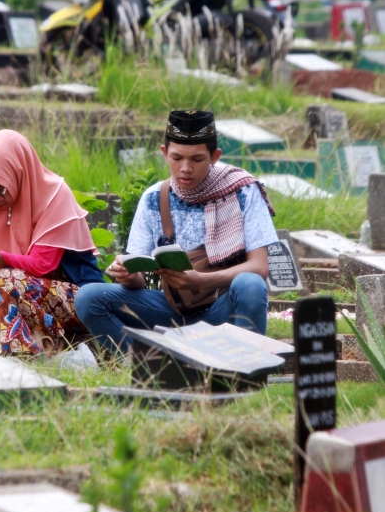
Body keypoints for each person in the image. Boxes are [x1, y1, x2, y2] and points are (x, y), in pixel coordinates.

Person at [75, 110, 278, 354]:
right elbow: (138, 279)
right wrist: (127, 274)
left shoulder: (243, 191)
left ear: (215, 157)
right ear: (164, 153)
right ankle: (144, 369)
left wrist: (199, 280)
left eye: (197, 159)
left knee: (250, 283)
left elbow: (259, 267)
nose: (185, 168)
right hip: (173, 311)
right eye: (177, 157)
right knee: (89, 298)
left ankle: (247, 369)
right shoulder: (153, 199)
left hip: (224, 309)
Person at [0, 130, 104, 356]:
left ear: (18, 173)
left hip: (78, 300)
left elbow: (41, 266)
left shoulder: (54, 196)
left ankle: (21, 358)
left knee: (5, 277)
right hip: (16, 291)